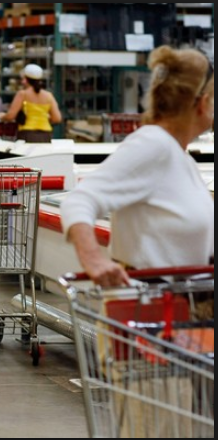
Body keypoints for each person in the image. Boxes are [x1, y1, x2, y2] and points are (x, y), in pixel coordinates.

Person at [60, 46, 214, 288]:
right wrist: (94, 260)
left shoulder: (180, 157)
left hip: (181, 306)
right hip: (148, 309)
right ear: (203, 103)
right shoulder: (154, 144)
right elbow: (78, 201)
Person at [0, 63, 61, 143]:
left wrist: (2, 117)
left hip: (27, 134)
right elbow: (57, 118)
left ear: (25, 79)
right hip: (46, 135)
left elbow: (11, 116)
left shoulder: (23, 94)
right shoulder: (48, 96)